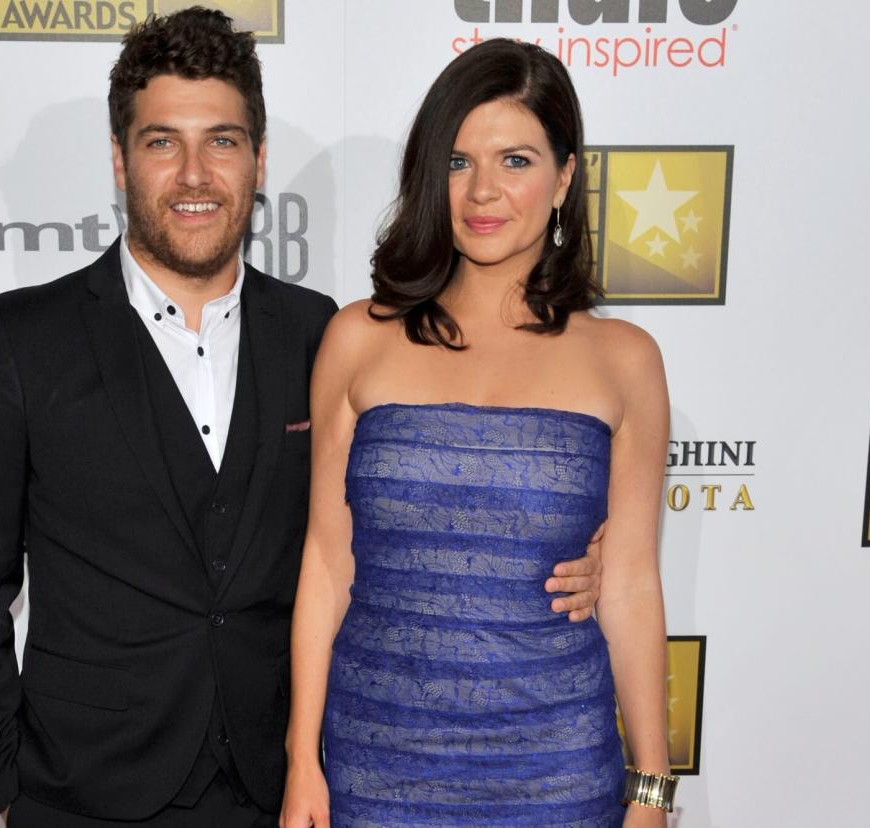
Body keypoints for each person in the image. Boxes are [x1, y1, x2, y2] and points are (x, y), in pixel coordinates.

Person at [0, 10, 604, 828]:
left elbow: (387, 521)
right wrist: (9, 778)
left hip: (284, 787)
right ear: (119, 159)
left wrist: (578, 543)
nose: (193, 174)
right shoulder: (25, 340)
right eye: (160, 142)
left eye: (221, 140)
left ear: (257, 158)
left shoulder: (321, 332)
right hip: (84, 793)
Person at [281, 38, 673, 828]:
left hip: (558, 770)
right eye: (459, 163)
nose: (483, 191)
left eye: (516, 161)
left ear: (565, 176)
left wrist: (652, 787)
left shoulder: (624, 360)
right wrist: (302, 765)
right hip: (377, 765)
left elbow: (629, 582)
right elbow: (326, 564)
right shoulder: (359, 338)